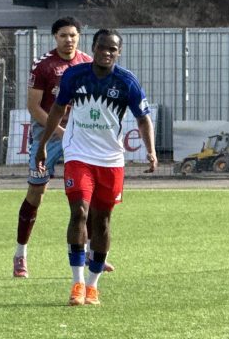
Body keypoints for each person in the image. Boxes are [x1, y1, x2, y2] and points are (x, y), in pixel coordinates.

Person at [38, 29, 156, 306]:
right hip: (78, 153)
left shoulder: (127, 82)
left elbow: (143, 119)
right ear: (94, 47)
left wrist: (150, 150)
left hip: (111, 160)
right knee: (79, 211)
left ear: (119, 52)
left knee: (102, 221)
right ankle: (77, 282)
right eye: (102, 47)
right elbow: (57, 109)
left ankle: (92, 285)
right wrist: (44, 143)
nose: (106, 52)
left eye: (112, 49)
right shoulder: (74, 76)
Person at [14, 17, 93, 278]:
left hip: (80, 135)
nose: (68, 40)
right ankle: (20, 254)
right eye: (63, 35)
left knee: (87, 194)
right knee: (36, 192)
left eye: (72, 35)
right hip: (48, 133)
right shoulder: (44, 66)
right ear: (55, 37)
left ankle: (94, 254)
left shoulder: (88, 64)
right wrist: (57, 131)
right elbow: (34, 106)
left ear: (79, 37)